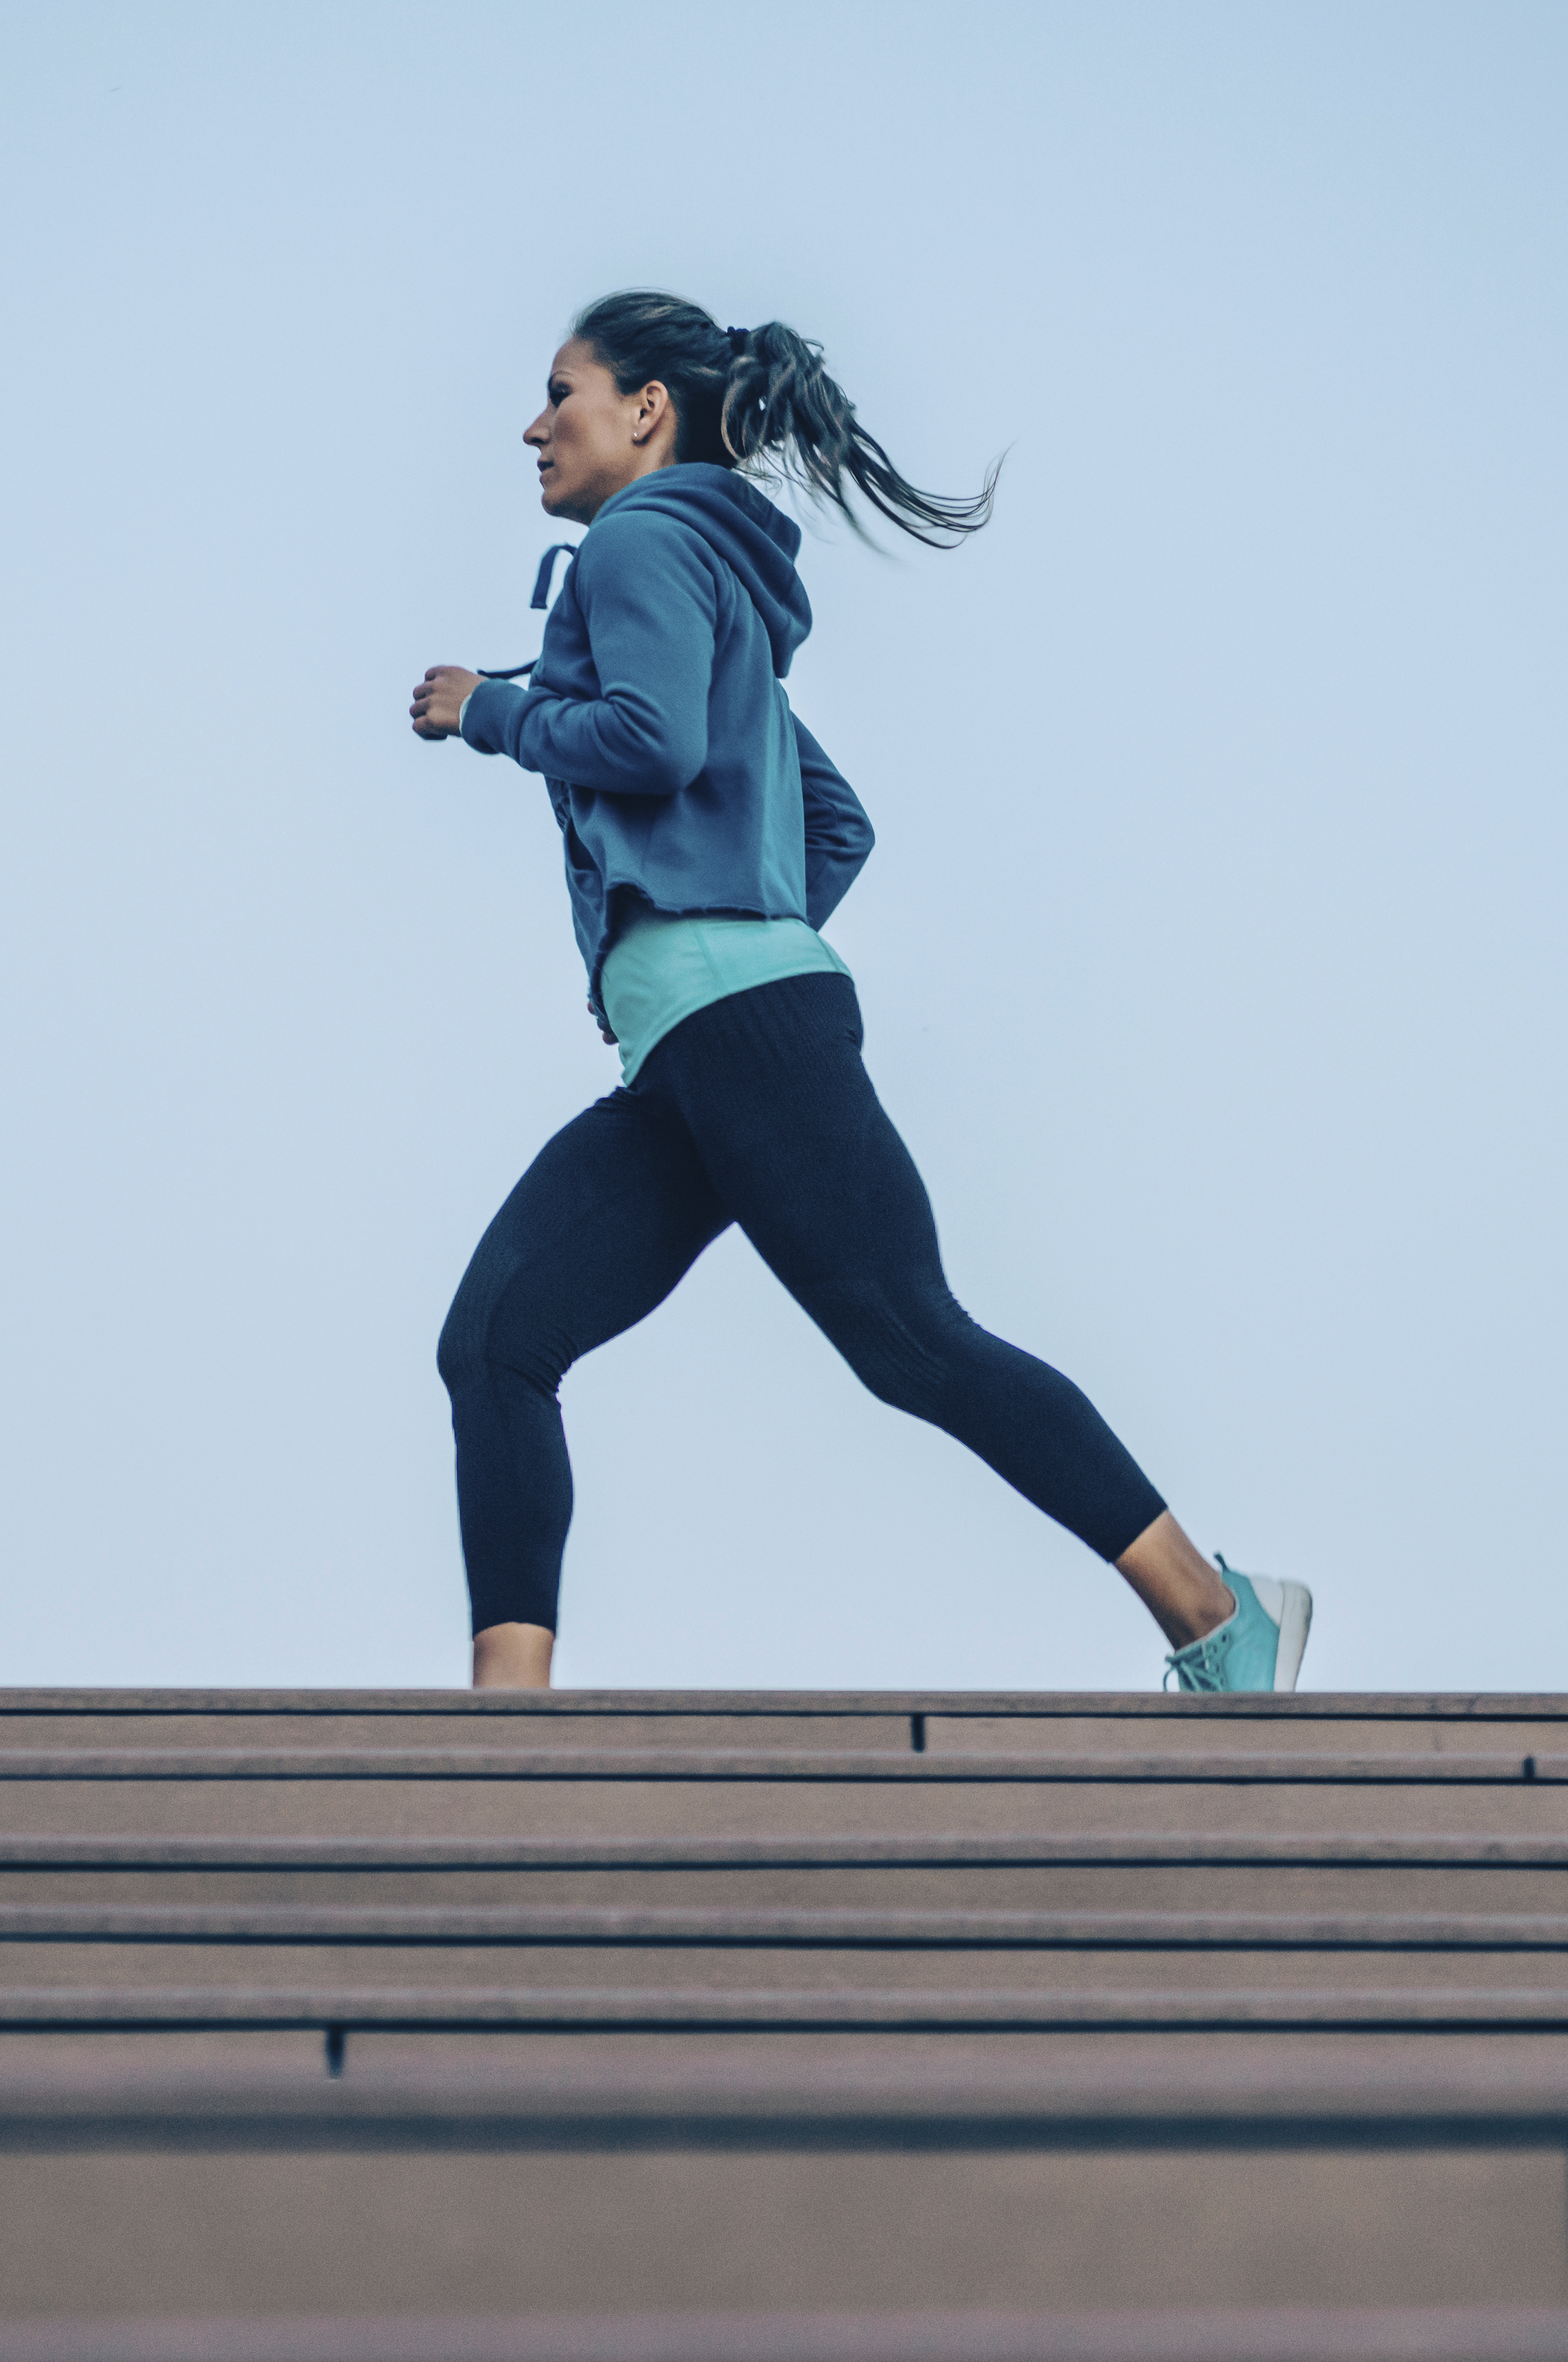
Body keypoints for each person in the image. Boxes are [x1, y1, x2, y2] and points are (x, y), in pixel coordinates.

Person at [407, 291, 1311, 1697]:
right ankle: (501, 1730)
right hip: (695, 1050)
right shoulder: (719, 596)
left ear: (645, 410)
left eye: (560, 392)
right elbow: (834, 824)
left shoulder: (642, 541)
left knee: (909, 1337)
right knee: (498, 1342)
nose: (534, 424)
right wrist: (741, 934)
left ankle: (1218, 1614)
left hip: (732, 1029)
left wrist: (491, 711)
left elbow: (647, 741)